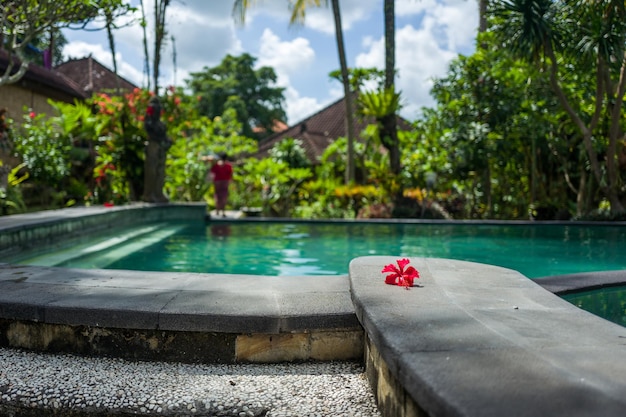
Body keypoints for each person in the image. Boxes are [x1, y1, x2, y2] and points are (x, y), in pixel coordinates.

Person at [206, 152, 233, 217]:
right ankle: (223, 212)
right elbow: (230, 174)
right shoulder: (228, 165)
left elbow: (212, 174)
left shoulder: (216, 165)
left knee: (217, 196)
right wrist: (231, 180)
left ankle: (217, 211)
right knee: (224, 196)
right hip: (225, 182)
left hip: (217, 182)